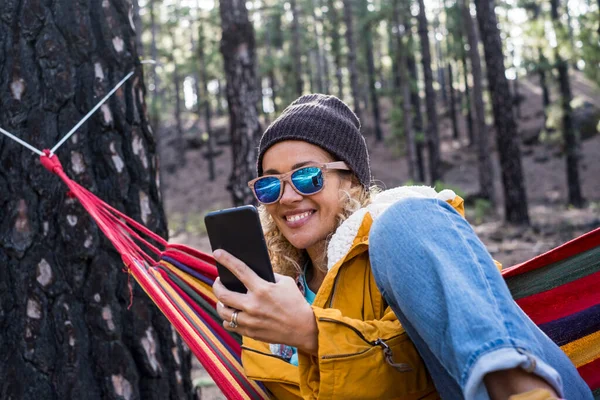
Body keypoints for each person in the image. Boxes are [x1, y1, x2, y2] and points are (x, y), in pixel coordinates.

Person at [212, 94, 592, 399]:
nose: (288, 196)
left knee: (404, 219)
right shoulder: (272, 292)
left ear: (354, 182)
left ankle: (518, 386)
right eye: (269, 185)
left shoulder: (405, 250)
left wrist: (311, 334)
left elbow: (427, 367)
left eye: (308, 176)